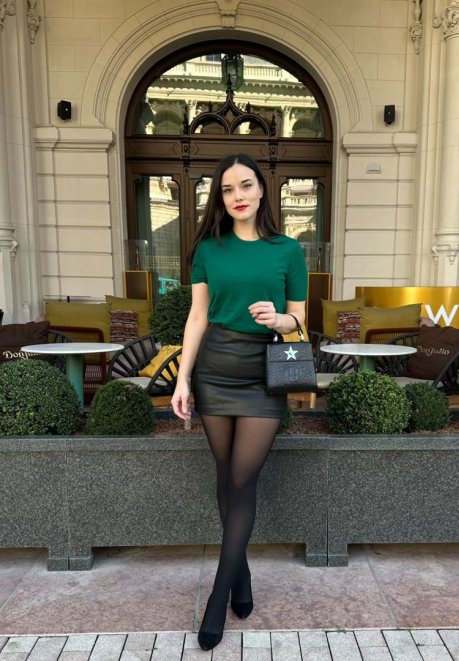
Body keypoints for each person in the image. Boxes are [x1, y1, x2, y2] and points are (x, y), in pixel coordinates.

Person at [171, 153, 308, 650]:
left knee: (243, 480)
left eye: (245, 185)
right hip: (215, 370)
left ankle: (218, 596)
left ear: (262, 189)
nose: (238, 196)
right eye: (227, 189)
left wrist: (279, 319)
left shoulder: (288, 250)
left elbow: (301, 320)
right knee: (225, 474)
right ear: (220, 198)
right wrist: (183, 378)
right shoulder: (208, 248)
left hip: (263, 373)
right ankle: (241, 575)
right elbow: (197, 316)